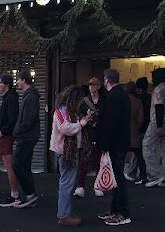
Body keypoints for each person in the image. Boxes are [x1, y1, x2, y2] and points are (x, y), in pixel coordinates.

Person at [52, 84, 95, 226]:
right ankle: (64, 215)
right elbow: (65, 128)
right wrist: (83, 122)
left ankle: (66, 213)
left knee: (67, 183)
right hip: (66, 152)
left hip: (67, 151)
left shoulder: (67, 110)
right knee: (66, 183)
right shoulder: (63, 111)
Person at [100, 68, 134, 227]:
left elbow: (110, 123)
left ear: (106, 80)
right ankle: (115, 209)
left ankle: (123, 212)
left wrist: (103, 143)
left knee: (118, 177)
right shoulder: (123, 96)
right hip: (121, 141)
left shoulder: (113, 97)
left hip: (115, 143)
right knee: (116, 176)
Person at [10, 70, 41, 209]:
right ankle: (30, 195)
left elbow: (28, 119)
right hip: (28, 135)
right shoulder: (30, 96)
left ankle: (30, 193)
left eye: (18, 79)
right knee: (24, 165)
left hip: (26, 136)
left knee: (17, 164)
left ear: (23, 80)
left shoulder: (30, 97)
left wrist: (17, 130)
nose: (17, 82)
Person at [0, 73, 21, 205]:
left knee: (7, 164)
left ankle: (14, 193)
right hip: (3, 135)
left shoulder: (10, 98)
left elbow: (13, 118)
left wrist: (3, 131)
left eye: (0, 82)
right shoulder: (9, 97)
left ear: (6, 84)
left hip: (4, 136)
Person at [143, 67, 165, 188]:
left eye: (153, 77)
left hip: (157, 122)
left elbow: (159, 107)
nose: (152, 79)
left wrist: (158, 126)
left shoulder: (158, 90)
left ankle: (154, 175)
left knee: (146, 146)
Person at [75, 76, 104, 198]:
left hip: (99, 133)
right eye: (90, 84)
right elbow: (77, 115)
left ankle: (98, 185)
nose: (91, 86)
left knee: (99, 161)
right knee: (84, 161)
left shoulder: (104, 101)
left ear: (99, 86)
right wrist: (85, 120)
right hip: (86, 133)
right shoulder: (84, 101)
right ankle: (80, 186)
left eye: (94, 84)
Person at [128, 78, 148, 184]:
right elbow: (140, 119)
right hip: (134, 131)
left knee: (119, 155)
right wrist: (137, 128)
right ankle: (143, 176)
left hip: (122, 133)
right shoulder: (138, 101)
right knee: (139, 155)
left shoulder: (121, 100)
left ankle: (117, 176)